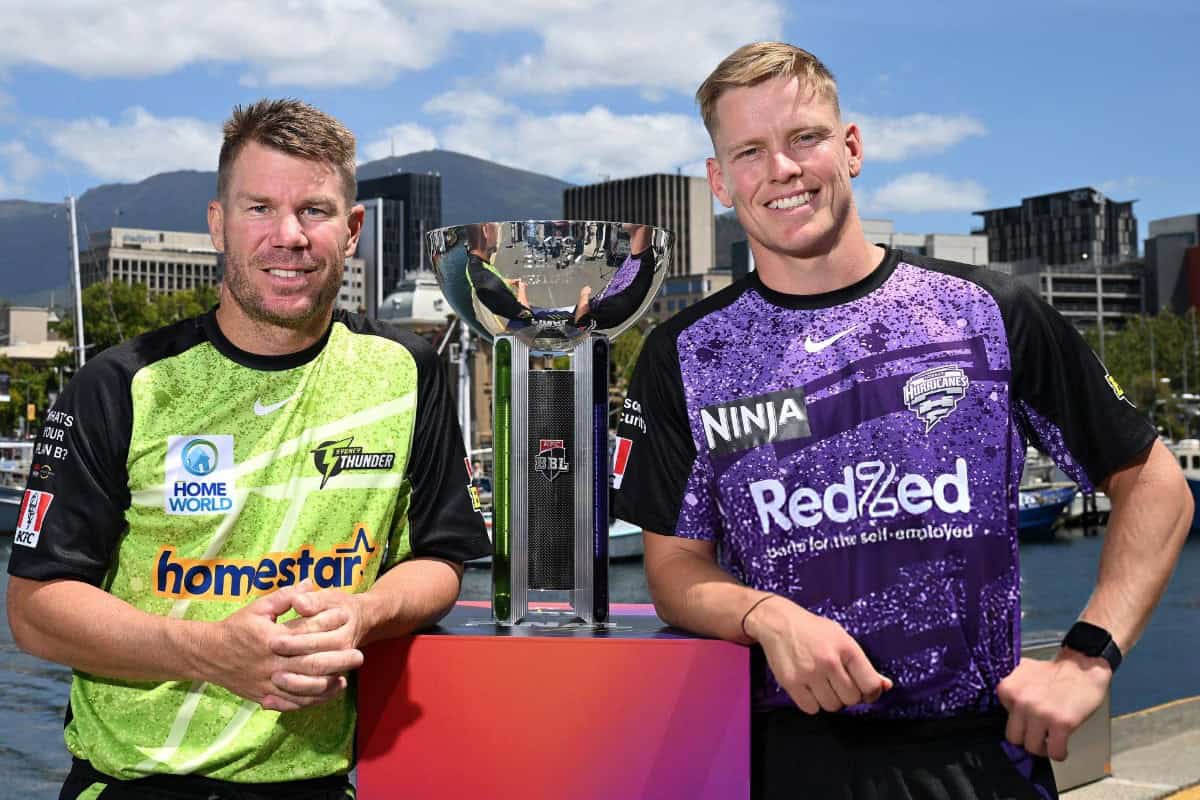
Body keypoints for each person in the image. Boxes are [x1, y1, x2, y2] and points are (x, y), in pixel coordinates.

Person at [611, 42, 1191, 800]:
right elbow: (675, 569)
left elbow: (1153, 483)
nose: (781, 169)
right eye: (749, 151)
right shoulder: (685, 354)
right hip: (778, 758)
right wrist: (766, 616)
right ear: (721, 180)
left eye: (804, 138)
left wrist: (1087, 658)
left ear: (851, 148)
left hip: (976, 757)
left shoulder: (985, 311)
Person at [6, 98, 489, 799]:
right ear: (217, 225)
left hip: (317, 781)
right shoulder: (119, 385)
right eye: (259, 208)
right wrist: (214, 653)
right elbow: (35, 608)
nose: (288, 236)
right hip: (137, 781)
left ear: (352, 230)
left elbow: (442, 559)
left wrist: (365, 612)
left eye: (315, 211)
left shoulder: (407, 374)